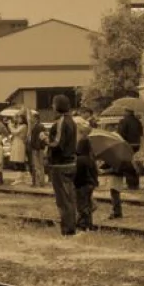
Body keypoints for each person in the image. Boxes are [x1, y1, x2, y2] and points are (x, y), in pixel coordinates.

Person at [45, 94, 78, 236]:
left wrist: (46, 140)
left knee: (63, 200)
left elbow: (57, 143)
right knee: (70, 198)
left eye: (53, 104)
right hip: (71, 163)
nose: (52, 107)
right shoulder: (72, 121)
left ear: (58, 105)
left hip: (60, 165)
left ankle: (67, 229)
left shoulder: (62, 121)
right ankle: (71, 226)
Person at [74, 134, 99, 230]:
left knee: (82, 205)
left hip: (81, 185)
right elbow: (95, 172)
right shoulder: (90, 159)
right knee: (88, 204)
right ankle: (89, 223)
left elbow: (77, 174)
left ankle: (83, 224)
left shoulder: (79, 160)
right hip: (90, 184)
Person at [117, 109, 143, 190]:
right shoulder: (138, 121)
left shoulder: (124, 121)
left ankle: (130, 183)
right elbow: (141, 133)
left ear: (127, 112)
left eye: (124, 111)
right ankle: (136, 183)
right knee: (135, 163)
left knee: (128, 164)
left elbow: (120, 133)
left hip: (127, 145)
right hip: (137, 145)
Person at [9, 115, 28, 185]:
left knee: (19, 161)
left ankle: (19, 178)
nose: (18, 119)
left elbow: (15, 132)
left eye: (20, 118)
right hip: (16, 143)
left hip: (20, 144)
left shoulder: (24, 126)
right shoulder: (19, 126)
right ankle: (20, 177)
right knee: (18, 161)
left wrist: (10, 126)